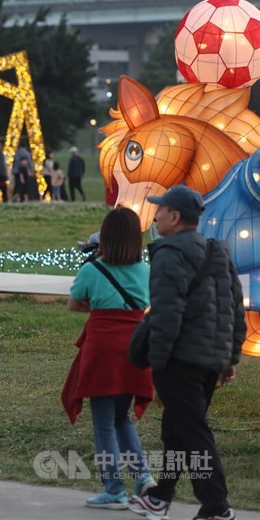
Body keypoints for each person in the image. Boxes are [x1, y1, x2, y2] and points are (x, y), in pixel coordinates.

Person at [128, 185, 245, 520]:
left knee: (193, 432)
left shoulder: (169, 254)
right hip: (210, 360)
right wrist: (230, 357)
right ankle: (160, 496)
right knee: (177, 429)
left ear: (175, 216)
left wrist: (157, 364)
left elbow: (167, 314)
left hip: (180, 359)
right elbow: (235, 307)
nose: (156, 216)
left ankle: (216, 507)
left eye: (161, 210)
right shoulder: (217, 252)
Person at [62, 208, 157, 510]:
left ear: (105, 237)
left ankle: (114, 488)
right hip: (135, 348)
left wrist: (99, 306)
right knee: (121, 416)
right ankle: (142, 476)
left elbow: (74, 304)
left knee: (103, 421)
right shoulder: (145, 270)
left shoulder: (92, 270)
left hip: (102, 349)